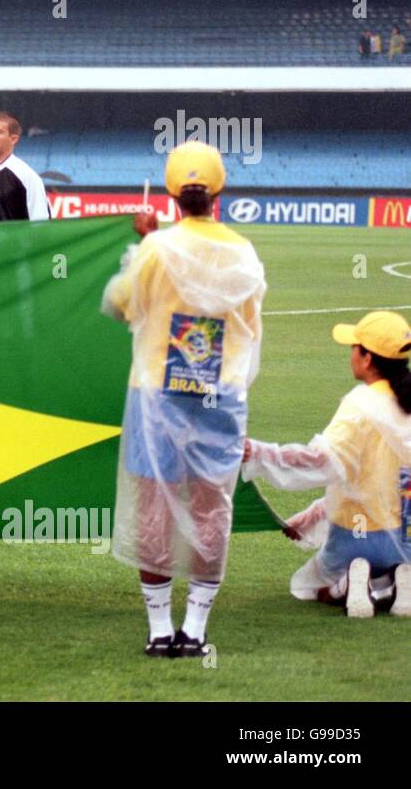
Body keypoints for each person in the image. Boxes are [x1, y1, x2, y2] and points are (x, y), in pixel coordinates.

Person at [101, 141, 266, 657]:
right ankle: (195, 626)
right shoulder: (243, 254)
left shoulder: (157, 250)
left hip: (157, 396)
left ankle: (157, 628)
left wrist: (141, 247)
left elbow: (119, 304)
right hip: (219, 396)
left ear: (172, 195)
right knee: (211, 508)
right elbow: (251, 325)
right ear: (220, 193)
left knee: (153, 509)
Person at [242, 311, 411, 618]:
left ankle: (347, 583)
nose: (351, 355)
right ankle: (396, 577)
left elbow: (320, 462)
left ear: (368, 358)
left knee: (306, 588)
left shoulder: (361, 405)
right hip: (406, 537)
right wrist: (315, 514)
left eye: (354, 348)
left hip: (360, 539)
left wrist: (257, 452)